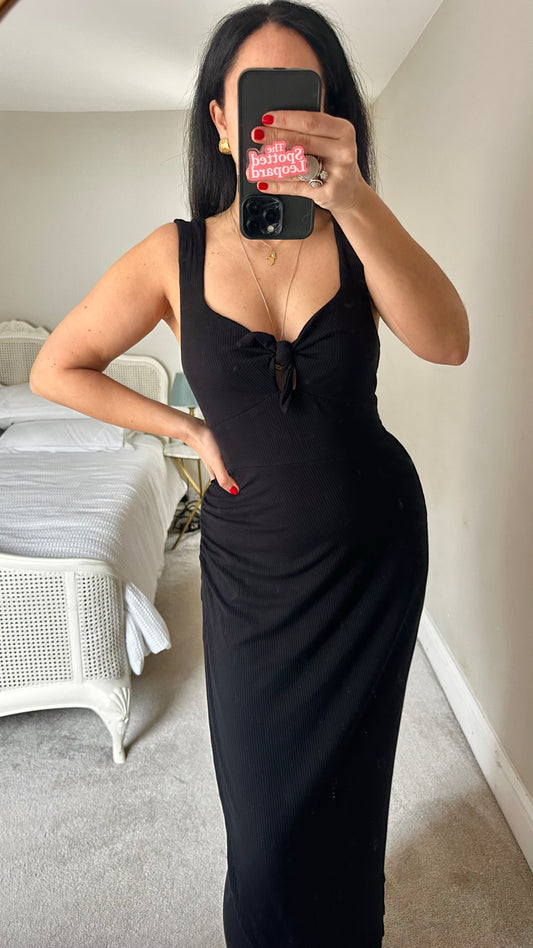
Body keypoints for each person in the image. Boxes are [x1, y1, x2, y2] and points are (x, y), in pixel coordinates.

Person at [30, 2, 469, 945]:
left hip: (374, 560)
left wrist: (353, 198)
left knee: (351, 806)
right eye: (260, 101)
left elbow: (447, 340)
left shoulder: (356, 234)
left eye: (305, 98)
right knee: (265, 827)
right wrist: (183, 426)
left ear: (333, 114)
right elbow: (56, 368)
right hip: (252, 578)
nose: (282, 121)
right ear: (223, 123)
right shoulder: (174, 253)